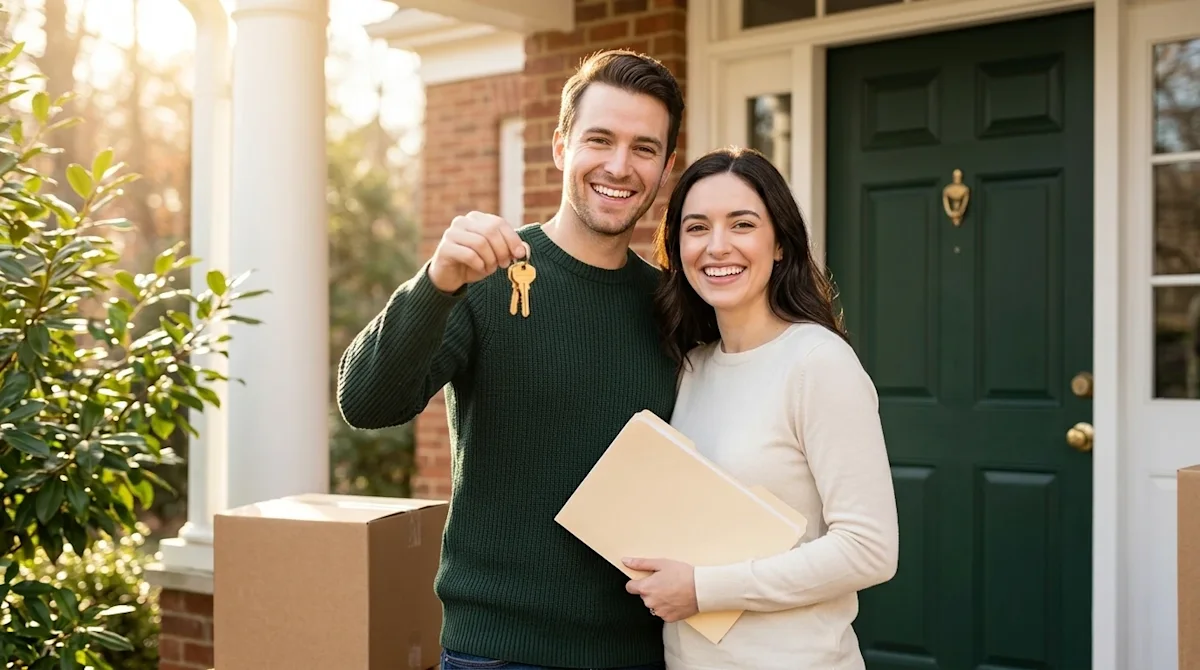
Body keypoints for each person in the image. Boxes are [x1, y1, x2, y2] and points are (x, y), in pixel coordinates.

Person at [336, 49, 684, 670]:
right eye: (599, 139)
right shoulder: (485, 279)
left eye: (644, 148)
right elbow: (365, 401)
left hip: (642, 652)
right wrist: (437, 280)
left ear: (666, 167)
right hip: (497, 654)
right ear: (559, 147)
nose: (618, 165)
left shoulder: (673, 309)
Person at [622, 147, 900, 670]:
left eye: (742, 224)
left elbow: (870, 548)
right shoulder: (692, 368)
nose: (717, 246)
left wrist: (705, 589)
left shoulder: (818, 363)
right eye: (697, 227)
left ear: (779, 245)